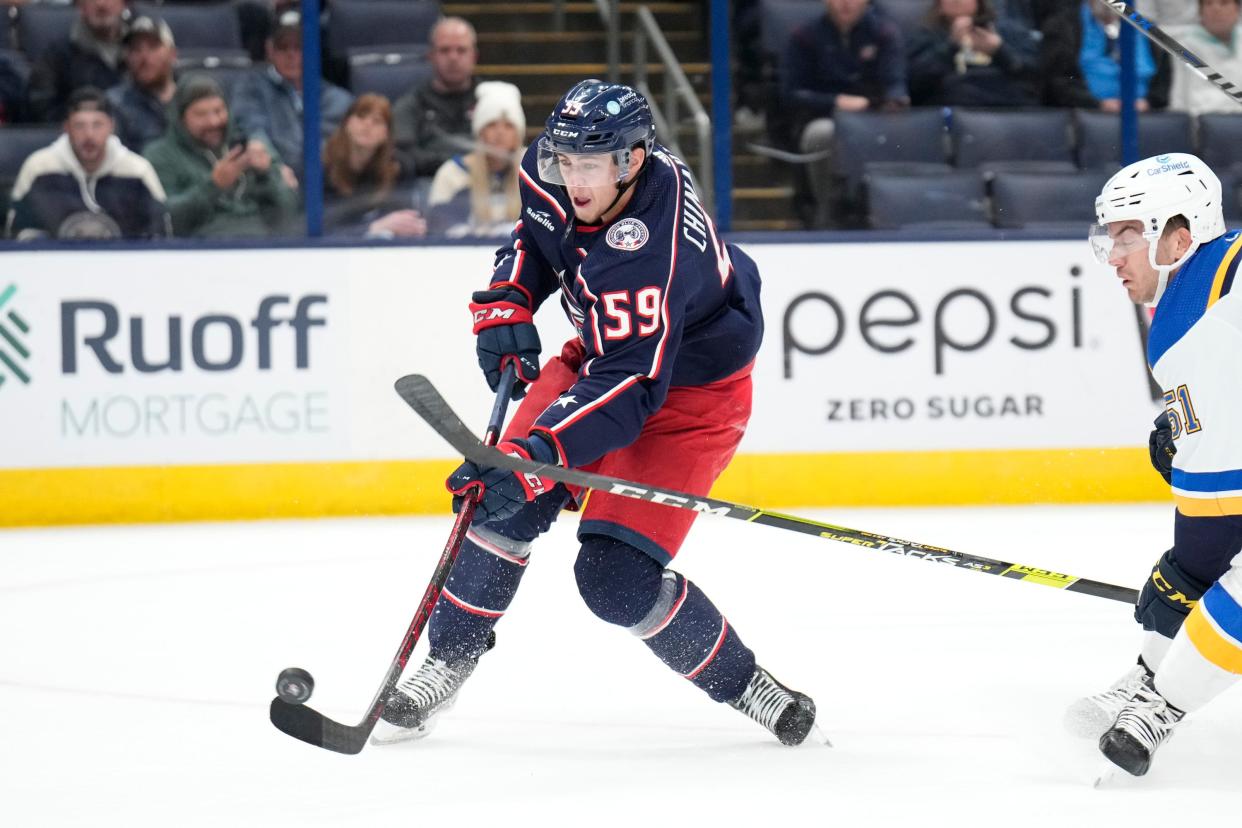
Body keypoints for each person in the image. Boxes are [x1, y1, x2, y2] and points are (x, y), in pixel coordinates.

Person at [370, 80, 821, 749]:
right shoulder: (558, 173)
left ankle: (746, 682)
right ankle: (448, 660)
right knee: (503, 503)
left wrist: (541, 452)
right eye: (565, 158)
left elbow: (633, 384)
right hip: (606, 358)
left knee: (614, 579)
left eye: (591, 164)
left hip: (690, 395)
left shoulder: (652, 246)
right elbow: (538, 235)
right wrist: (508, 300)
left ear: (632, 161)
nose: (572, 177)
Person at [1071, 152, 1242, 777]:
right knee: (1190, 574)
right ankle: (1151, 679)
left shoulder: (1229, 267)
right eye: (1109, 238)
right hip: (1224, 493)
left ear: (1179, 234)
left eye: (1127, 236)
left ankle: (1162, 707)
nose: (1113, 254)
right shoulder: (1171, 316)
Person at [782, 0, 909, 228]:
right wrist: (835, 101)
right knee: (823, 133)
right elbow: (792, 93)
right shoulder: (805, 36)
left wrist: (894, 100)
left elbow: (895, 83)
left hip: (874, 118)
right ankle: (827, 212)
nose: (846, 4)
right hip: (824, 117)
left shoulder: (884, 33)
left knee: (907, 130)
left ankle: (890, 210)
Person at [143, 74, 299, 238]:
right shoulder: (160, 155)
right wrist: (214, 186)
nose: (213, 122)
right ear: (180, 119)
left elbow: (289, 215)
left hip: (262, 246)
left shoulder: (252, 147)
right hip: (199, 251)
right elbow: (165, 220)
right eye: (201, 114)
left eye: (219, 111)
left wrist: (267, 174)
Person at [6, 86, 169, 240]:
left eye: (97, 125)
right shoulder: (39, 167)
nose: (89, 135)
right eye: (79, 126)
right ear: (66, 128)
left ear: (111, 127)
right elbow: (19, 233)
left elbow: (160, 234)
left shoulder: (137, 171)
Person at [231, 8, 353, 184]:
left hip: (326, 185)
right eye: (283, 47)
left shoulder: (338, 99)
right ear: (270, 50)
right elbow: (252, 130)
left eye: (299, 47)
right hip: (272, 182)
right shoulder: (251, 87)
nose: (291, 55)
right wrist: (275, 166)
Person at [425, 80, 524, 238]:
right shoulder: (452, 173)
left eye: (509, 126)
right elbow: (438, 229)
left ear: (518, 134)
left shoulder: (536, 172)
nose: (500, 133)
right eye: (491, 125)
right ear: (479, 132)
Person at [322, 93, 426, 238]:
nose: (367, 125)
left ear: (386, 134)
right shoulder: (322, 165)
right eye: (361, 117)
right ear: (347, 123)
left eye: (377, 121)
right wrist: (375, 227)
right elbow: (323, 229)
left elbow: (405, 221)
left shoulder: (400, 166)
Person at [392, 16, 480, 180]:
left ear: (474, 56)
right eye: (445, 50)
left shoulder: (492, 100)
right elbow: (403, 156)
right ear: (431, 56)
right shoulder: (410, 105)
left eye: (461, 50)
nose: (453, 58)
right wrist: (457, 164)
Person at [907, 0, 1041, 107]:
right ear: (939, 4)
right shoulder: (926, 35)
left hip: (1008, 107)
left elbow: (1034, 74)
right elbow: (914, 82)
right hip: (951, 107)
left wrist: (999, 51)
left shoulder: (1008, 31)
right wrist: (951, 47)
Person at [28, 0, 128, 123]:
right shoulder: (57, 54)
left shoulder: (141, 48)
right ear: (80, 5)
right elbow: (41, 105)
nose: (101, 4)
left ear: (124, 3)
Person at [105, 14, 178, 153]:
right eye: (136, 49)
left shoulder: (191, 100)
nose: (144, 57)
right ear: (127, 58)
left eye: (153, 47)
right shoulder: (114, 104)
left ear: (172, 54)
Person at [1079, 0, 1157, 112]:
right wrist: (1097, 103)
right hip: (1087, 111)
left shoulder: (1144, 26)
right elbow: (1062, 79)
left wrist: (1148, 102)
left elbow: (1162, 81)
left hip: (1141, 112)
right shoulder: (1071, 23)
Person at [1166, 0, 1242, 115]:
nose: (1216, 10)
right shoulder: (1184, 47)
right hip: (1203, 125)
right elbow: (1183, 101)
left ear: (1238, 10)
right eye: (1209, 4)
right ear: (1200, 12)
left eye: (1224, 3)